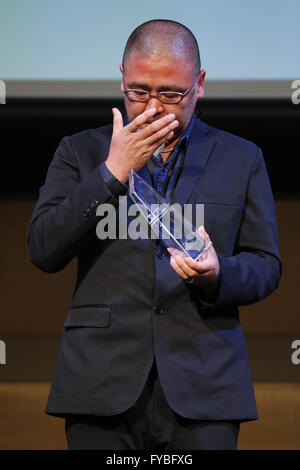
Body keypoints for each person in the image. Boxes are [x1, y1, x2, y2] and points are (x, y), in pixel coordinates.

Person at [26, 19, 281, 450]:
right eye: (138, 91)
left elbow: (265, 265)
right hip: (100, 386)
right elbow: (43, 249)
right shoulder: (80, 151)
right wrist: (110, 174)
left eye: (170, 94)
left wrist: (218, 275)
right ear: (121, 78)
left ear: (199, 84)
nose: (152, 108)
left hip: (204, 386)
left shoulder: (241, 158)